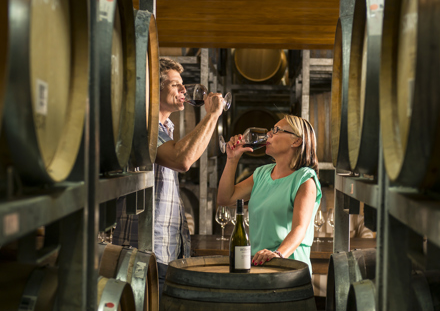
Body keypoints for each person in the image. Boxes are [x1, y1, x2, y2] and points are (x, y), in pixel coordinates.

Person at [114, 57, 224, 298]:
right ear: (155, 87)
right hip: (143, 249)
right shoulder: (144, 126)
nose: (184, 90)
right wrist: (212, 115)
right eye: (176, 84)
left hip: (164, 249)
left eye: (183, 84)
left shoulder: (166, 128)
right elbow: (182, 160)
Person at [217, 115, 322, 274]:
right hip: (258, 263)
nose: (268, 135)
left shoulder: (305, 179)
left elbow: (300, 228)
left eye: (276, 130)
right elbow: (225, 199)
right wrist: (232, 159)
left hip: (289, 266)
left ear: (296, 141)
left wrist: (278, 254)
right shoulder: (261, 174)